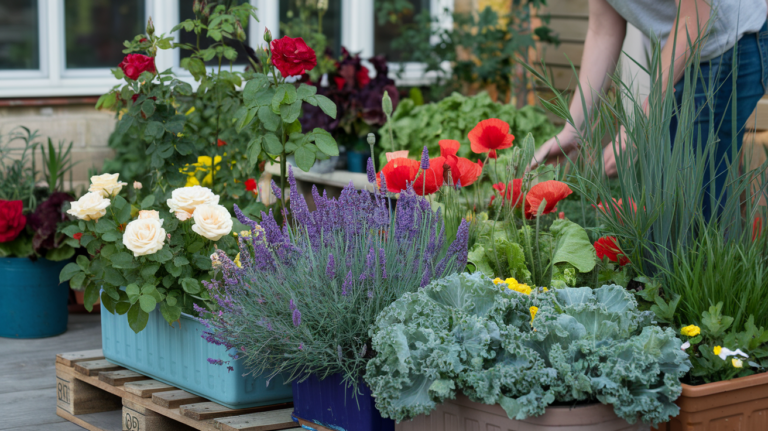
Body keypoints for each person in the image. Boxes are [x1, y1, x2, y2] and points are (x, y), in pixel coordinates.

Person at [531, 0, 768, 215]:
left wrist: (639, 127)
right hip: (685, 49)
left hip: (730, 43)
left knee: (695, 198)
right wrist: (573, 130)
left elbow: (695, 16)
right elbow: (603, 29)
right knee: (681, 185)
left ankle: (725, 255)